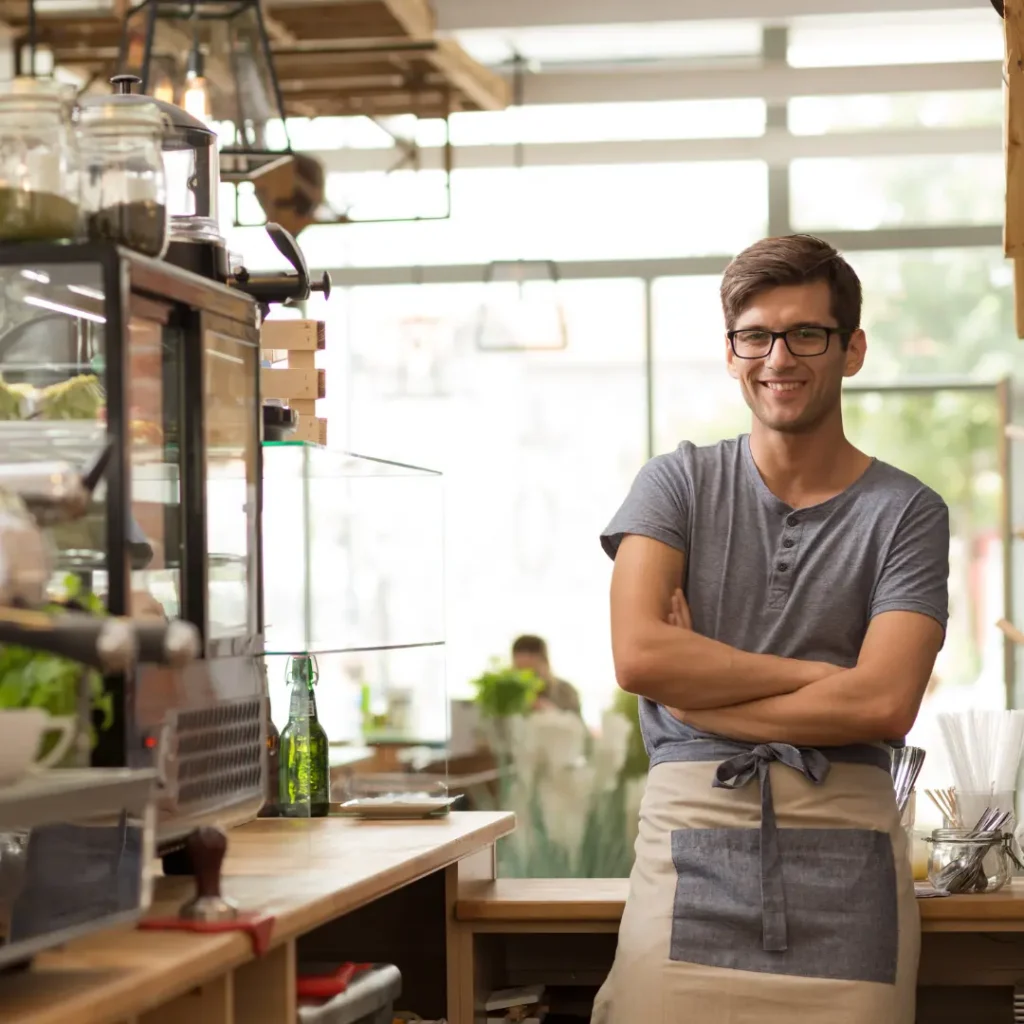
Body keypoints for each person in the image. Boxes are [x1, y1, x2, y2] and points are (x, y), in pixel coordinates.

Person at [592, 234, 949, 1024]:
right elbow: (640, 655)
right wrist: (824, 678)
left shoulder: (909, 513)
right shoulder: (675, 482)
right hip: (694, 827)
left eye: (806, 335)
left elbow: (885, 707)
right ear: (731, 353)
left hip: (847, 838)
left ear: (851, 350)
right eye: (755, 335)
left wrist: (703, 700)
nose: (778, 357)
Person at [511, 634, 582, 715]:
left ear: (545, 661)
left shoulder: (565, 691)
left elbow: (577, 724)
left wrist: (549, 710)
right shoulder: (505, 693)